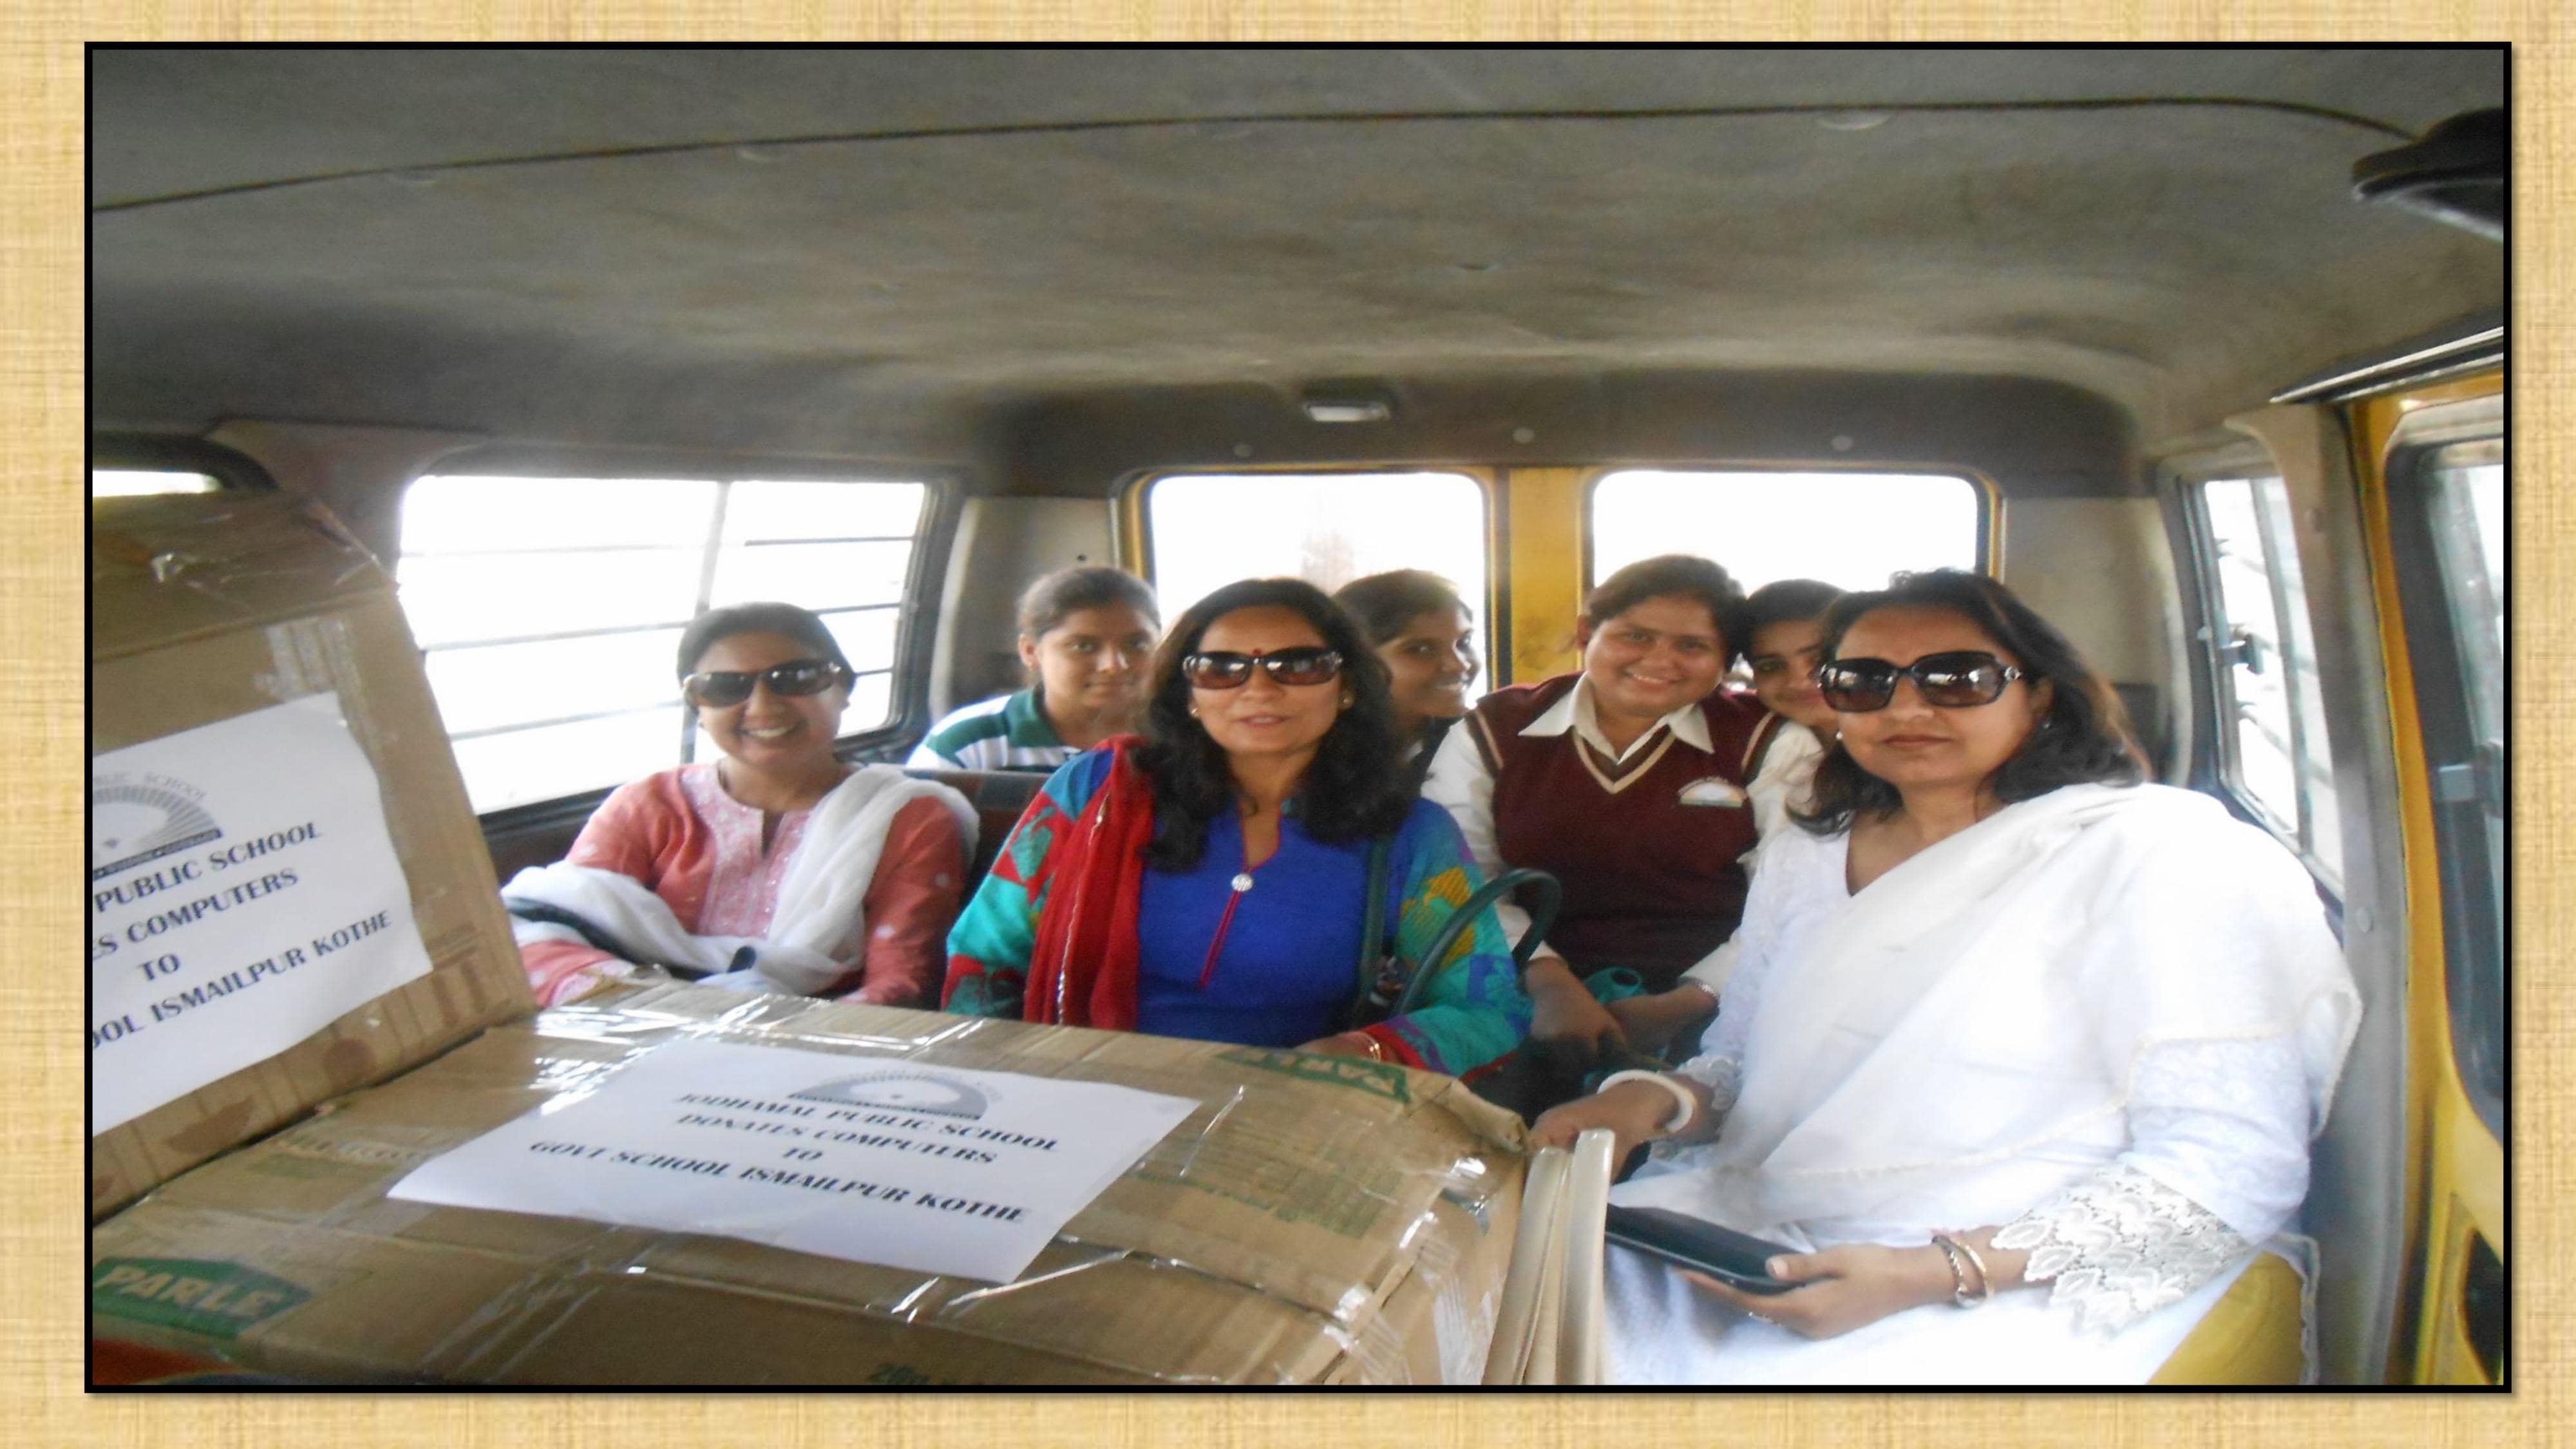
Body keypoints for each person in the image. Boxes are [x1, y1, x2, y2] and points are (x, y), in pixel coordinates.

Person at [1530, 570, 2358, 1385]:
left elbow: (2231, 1162)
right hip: (1759, 1221)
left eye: (1957, 679)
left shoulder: (2161, 857)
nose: (1905, 709)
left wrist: (1937, 1272)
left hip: (2003, 1261)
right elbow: (1747, 1059)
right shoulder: (1809, 851)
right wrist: (1652, 1102)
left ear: (2039, 694)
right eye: (1863, 682)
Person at [942, 578, 1531, 1075]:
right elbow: (984, 959)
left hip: (1289, 1105)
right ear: (1190, 694)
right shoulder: (1098, 793)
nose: (1260, 689)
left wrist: (1363, 1052)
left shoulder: (1406, 834)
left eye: (1298, 666)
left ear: (1347, 686)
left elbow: (1486, 1009)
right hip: (1083, 1086)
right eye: (1222, 669)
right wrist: (1002, 1082)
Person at [508, 603, 977, 1008]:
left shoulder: (907, 818)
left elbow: (903, 983)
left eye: (796, 678)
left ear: (844, 690)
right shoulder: (649, 804)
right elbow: (551, 927)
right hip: (641, 1026)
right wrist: (669, 1013)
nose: (763, 706)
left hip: (818, 1040)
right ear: (698, 708)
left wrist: (769, 1033)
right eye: (724, 687)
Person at [1421, 554, 1765, 1072]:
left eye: (1692, 646)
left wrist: (1692, 1001)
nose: (1661, 660)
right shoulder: (1496, 727)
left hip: (1726, 998)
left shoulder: (1763, 738)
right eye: (1637, 636)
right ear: (1587, 634)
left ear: (1724, 662)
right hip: (1518, 981)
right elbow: (1460, 876)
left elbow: (1792, 898)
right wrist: (1549, 983)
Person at [1603, 578, 1846, 1054]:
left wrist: (1688, 1003)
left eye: (1821, 661)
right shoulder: (1794, 751)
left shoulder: (1899, 764)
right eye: (1772, 667)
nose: (1800, 681)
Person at [907, 565, 1160, 772]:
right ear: (1030, 651)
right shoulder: (968, 743)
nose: (1114, 665)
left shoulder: (1178, 734)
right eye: (1084, 646)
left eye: (1137, 644)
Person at [1332, 569, 1480, 786]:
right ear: (1355, 663)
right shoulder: (1310, 757)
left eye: (1464, 643)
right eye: (1421, 649)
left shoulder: (1486, 745)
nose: (1459, 664)